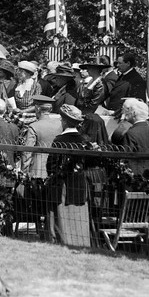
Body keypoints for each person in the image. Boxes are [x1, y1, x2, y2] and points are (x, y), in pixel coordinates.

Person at [46, 104, 92, 246]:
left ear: (64, 121)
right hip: (80, 184)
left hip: (62, 187)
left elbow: (51, 166)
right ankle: (82, 243)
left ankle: (62, 242)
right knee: (79, 219)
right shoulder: (85, 140)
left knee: (63, 218)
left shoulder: (59, 141)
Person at [21, 95, 63, 178]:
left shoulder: (34, 126)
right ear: (50, 109)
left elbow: (27, 152)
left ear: (37, 109)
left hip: (38, 171)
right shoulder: (60, 125)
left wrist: (24, 172)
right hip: (56, 171)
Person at [121, 99, 149, 182]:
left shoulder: (131, 133)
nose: (126, 114)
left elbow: (126, 158)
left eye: (129, 111)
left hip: (135, 179)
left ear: (134, 113)